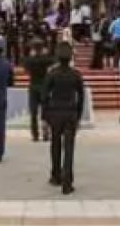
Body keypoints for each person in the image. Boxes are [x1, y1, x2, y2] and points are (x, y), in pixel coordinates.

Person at [43, 42, 85, 194]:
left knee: (55, 145)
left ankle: (56, 175)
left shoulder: (52, 74)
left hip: (55, 112)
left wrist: (45, 116)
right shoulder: (76, 75)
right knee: (69, 148)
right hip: (70, 112)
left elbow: (45, 95)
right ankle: (67, 181)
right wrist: (79, 114)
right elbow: (81, 95)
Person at [23, 39, 54, 140]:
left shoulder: (30, 60)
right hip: (44, 86)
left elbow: (25, 66)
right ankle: (46, 131)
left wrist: (31, 55)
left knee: (33, 112)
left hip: (33, 86)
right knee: (45, 111)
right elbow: (53, 61)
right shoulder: (46, 59)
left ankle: (35, 134)